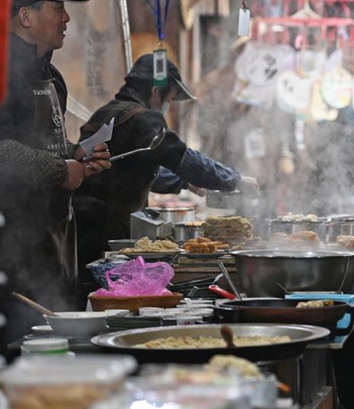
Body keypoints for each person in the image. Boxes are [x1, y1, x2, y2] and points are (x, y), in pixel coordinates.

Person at [0, 0, 111, 355]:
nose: (66, 19)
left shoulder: (49, 74)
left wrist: (76, 153)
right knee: (13, 353)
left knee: (54, 349)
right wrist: (61, 170)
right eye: (58, 8)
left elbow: (36, 141)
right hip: (2, 248)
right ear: (26, 16)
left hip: (48, 240)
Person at [72, 54, 258, 286]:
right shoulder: (143, 119)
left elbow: (132, 167)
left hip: (82, 225)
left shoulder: (106, 112)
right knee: (108, 291)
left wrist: (184, 183)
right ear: (155, 91)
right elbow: (182, 157)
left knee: (91, 289)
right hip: (107, 229)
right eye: (168, 98)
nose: (167, 106)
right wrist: (234, 179)